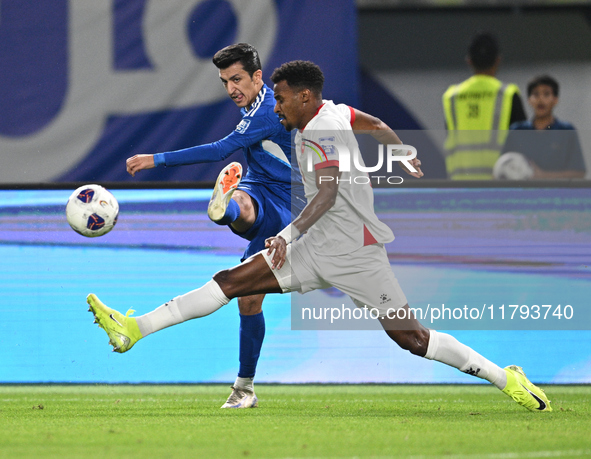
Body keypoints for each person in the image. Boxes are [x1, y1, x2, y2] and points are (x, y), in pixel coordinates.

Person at [89, 60, 551, 413]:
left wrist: (286, 234)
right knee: (231, 282)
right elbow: (370, 122)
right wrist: (400, 148)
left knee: (412, 338)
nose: (275, 106)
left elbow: (327, 194)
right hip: (314, 249)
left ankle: (504, 377)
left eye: (282, 99)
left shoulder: (319, 134)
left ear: (305, 97)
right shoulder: (328, 111)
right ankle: (135, 329)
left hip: (356, 254)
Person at [124, 43, 422, 409]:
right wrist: (402, 152)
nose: (231, 88)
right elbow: (374, 124)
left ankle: (226, 211)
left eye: (237, 79)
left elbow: (220, 149)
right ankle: (244, 388)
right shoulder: (261, 106)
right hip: (258, 184)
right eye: (224, 81)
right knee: (247, 296)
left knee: (247, 229)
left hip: (288, 202)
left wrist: (156, 159)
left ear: (257, 77)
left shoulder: (270, 110)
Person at [443, 31, 527, 180]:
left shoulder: (451, 98)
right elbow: (523, 145)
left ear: (469, 60)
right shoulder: (508, 95)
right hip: (499, 191)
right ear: (498, 60)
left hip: (460, 190)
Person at [502, 75, 586, 179]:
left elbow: (579, 172)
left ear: (555, 100)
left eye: (546, 94)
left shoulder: (566, 130)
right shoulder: (517, 130)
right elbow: (502, 166)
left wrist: (543, 176)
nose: (540, 99)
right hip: (524, 193)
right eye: (536, 94)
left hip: (557, 193)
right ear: (529, 100)